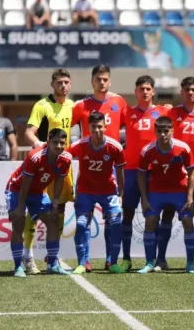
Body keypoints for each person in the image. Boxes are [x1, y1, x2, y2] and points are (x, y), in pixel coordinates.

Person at [157, 76, 194, 271]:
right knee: (167, 213)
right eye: (187, 90)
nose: (190, 93)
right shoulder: (172, 112)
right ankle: (161, 259)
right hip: (176, 172)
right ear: (181, 92)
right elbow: (155, 112)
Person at [71, 65, 127, 270]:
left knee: (113, 221)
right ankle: (83, 261)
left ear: (109, 81)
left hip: (110, 170)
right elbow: (62, 125)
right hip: (87, 172)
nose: (101, 82)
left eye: (105, 79)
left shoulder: (119, 102)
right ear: (92, 81)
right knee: (82, 221)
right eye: (98, 79)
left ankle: (110, 260)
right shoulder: (81, 105)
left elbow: (137, 120)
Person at [24, 69, 75, 275]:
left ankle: (52, 258)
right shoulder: (42, 106)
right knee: (35, 211)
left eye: (66, 82)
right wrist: (39, 144)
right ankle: (28, 257)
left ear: (70, 85)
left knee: (58, 211)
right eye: (59, 82)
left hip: (62, 166)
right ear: (52, 84)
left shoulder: (73, 106)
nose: (63, 85)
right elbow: (28, 131)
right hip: (43, 166)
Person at [119, 75, 170, 272]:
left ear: (153, 91)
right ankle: (126, 258)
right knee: (128, 214)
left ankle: (160, 259)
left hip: (155, 172)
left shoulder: (165, 111)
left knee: (154, 216)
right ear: (136, 91)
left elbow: (186, 114)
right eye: (141, 88)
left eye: (148, 88)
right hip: (131, 171)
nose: (145, 91)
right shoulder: (127, 112)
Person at [5, 128, 72, 277]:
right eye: (55, 142)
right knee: (19, 222)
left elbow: (59, 182)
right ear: (48, 142)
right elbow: (25, 185)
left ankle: (53, 264)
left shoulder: (66, 159)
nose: (59, 146)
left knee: (53, 220)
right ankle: (18, 267)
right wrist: (21, 207)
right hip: (17, 189)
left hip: (38, 192)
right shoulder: (35, 156)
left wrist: (55, 204)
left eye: (62, 143)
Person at [137, 116, 194, 274]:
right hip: (157, 191)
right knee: (150, 220)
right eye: (159, 131)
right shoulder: (147, 150)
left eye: (166, 131)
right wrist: (144, 198)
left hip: (179, 190)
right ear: (155, 132)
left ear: (172, 131)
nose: (163, 134)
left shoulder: (182, 148)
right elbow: (141, 174)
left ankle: (190, 263)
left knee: (187, 220)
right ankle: (149, 262)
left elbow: (192, 171)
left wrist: (190, 197)